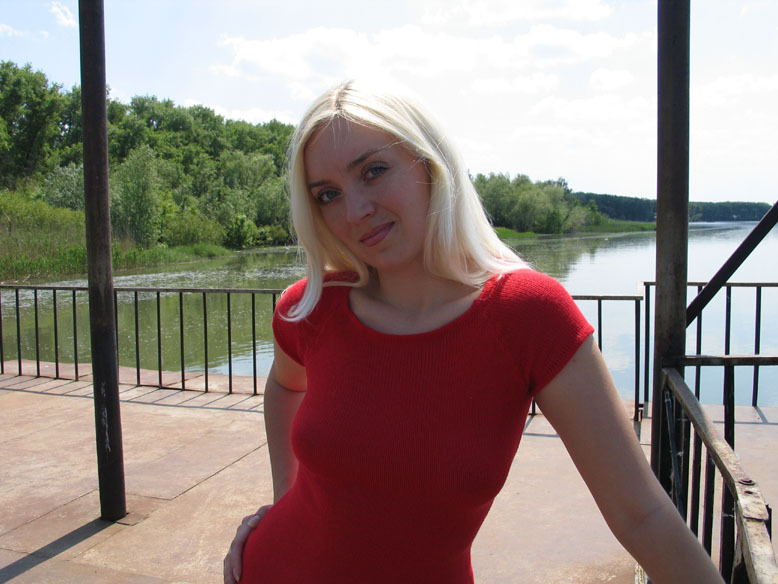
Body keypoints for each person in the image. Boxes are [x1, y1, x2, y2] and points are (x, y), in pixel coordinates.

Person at [223, 80, 723, 584]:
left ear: (430, 163)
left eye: (373, 171)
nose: (354, 212)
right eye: (328, 195)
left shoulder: (526, 315)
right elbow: (284, 385)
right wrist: (283, 498)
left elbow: (642, 515)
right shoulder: (313, 308)